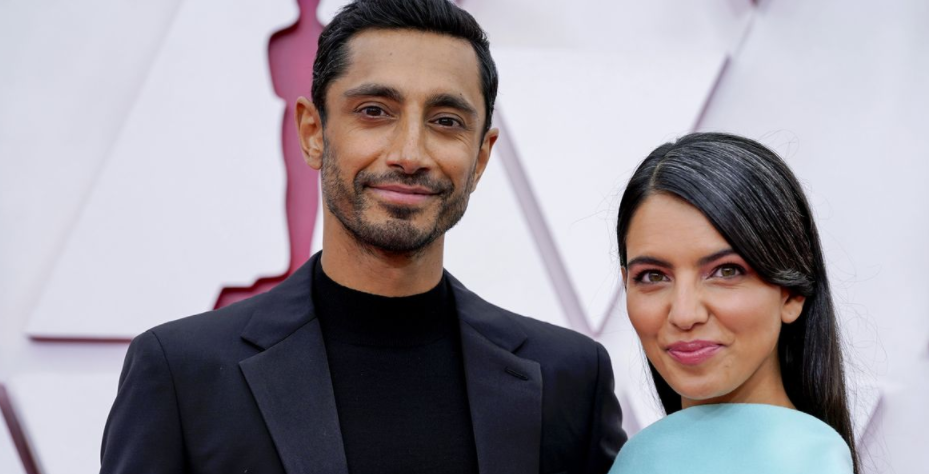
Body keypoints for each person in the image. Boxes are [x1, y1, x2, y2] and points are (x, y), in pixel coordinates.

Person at [99, 1, 626, 473]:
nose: (409, 153)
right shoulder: (181, 373)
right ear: (312, 133)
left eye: (446, 120)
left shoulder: (570, 379)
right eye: (374, 112)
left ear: (481, 156)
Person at [608, 133, 857, 474]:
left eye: (726, 271)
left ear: (792, 292)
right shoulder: (636, 459)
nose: (684, 314)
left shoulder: (808, 460)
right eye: (653, 276)